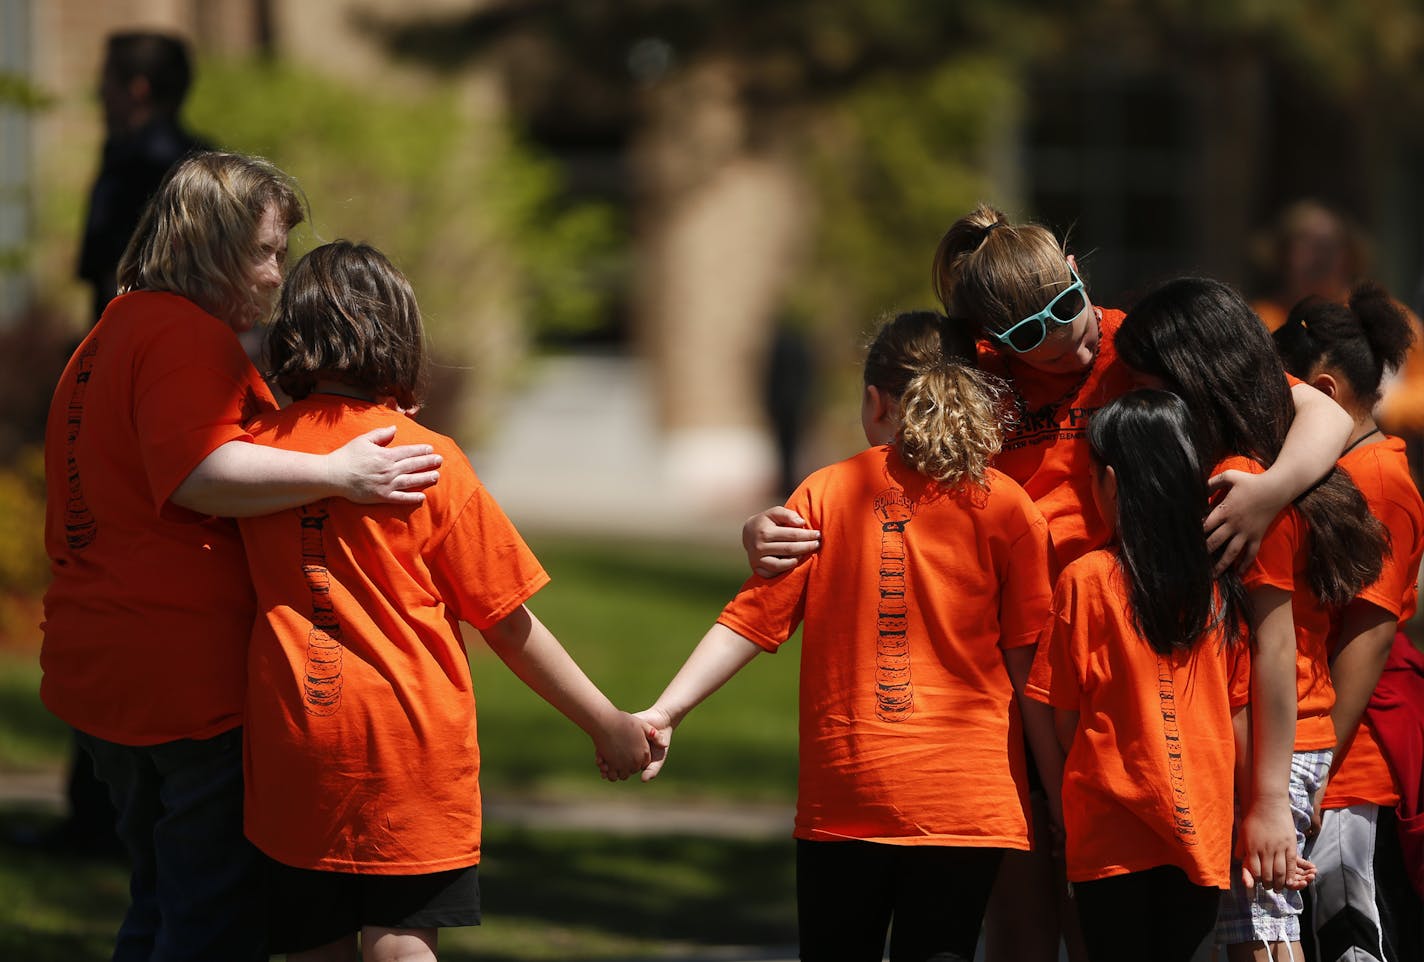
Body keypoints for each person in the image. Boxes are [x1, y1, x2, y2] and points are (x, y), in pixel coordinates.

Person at [742, 203, 1355, 962]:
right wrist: (775, 526)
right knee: (1024, 913)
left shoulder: (1131, 340)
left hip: (1131, 663)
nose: (1073, 338)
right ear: (997, 343)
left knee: (1116, 909)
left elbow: (1315, 409)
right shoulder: (977, 379)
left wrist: (1270, 492)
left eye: (1074, 304)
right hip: (1018, 670)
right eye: (1038, 333)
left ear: (1076, 272)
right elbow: (892, 471)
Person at [41, 151, 443, 962]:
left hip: (106, 674)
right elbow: (199, 474)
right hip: (186, 685)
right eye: (267, 250)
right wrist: (341, 472)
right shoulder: (189, 339)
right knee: (210, 922)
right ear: (214, 243)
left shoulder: (112, 333)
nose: (277, 275)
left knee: (159, 904)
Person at [236, 241, 653, 962]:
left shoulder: (257, 456)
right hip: (409, 751)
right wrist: (607, 722)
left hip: (292, 742)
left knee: (310, 945)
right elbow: (508, 622)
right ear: (396, 334)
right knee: (402, 944)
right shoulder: (429, 461)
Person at [636, 310, 1057, 962]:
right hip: (964, 804)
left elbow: (749, 620)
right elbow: (1029, 664)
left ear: (874, 401)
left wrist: (667, 710)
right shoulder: (1006, 506)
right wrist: (1059, 793)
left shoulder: (828, 490)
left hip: (849, 796)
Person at [1114, 276, 1388, 962]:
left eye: (1152, 385)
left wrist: (1265, 800)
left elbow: (1272, 650)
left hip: (1274, 750)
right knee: (1257, 929)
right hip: (1276, 746)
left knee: (1262, 937)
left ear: (1194, 379)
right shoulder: (1265, 468)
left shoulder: (1240, 482)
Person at [1027, 389, 1255, 961]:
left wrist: (1062, 807)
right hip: (1201, 831)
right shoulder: (1220, 582)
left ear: (1108, 482)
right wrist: (1243, 812)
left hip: (1109, 838)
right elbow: (1238, 715)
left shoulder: (1084, 580)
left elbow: (1062, 719)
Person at [1272, 286, 1424, 962]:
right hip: (1326, 757)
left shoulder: (1377, 479)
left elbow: (1369, 633)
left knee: (1351, 942)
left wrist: (1311, 770)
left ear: (1324, 390)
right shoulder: (1343, 470)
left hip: (1350, 765)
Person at [78, 31, 211, 324]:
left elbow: (111, 265)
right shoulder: (210, 162)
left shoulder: (134, 163)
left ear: (139, 89)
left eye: (108, 80)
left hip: (134, 333)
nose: (101, 92)